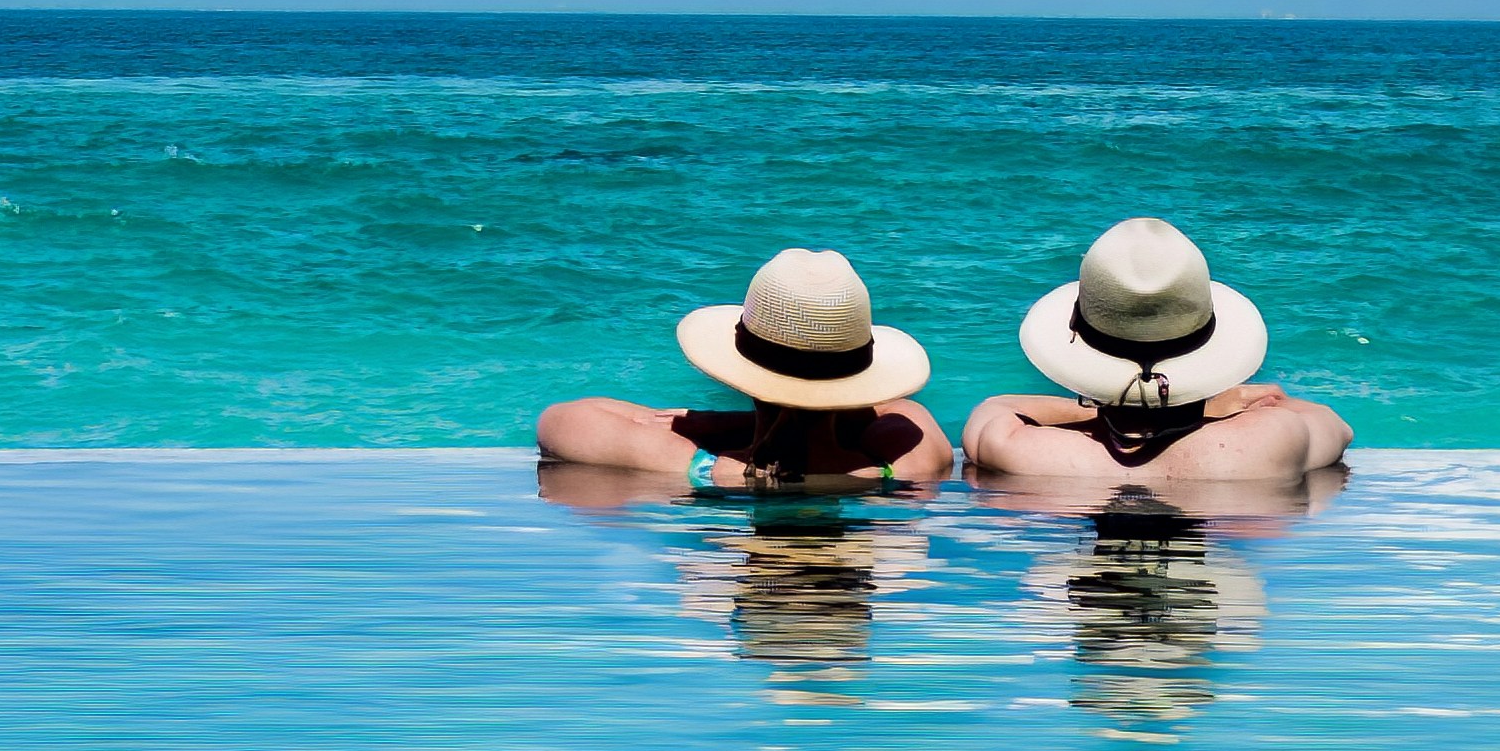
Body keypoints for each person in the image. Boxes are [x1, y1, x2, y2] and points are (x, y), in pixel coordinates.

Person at [960, 217, 1350, 487]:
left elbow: (994, 407)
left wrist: (1103, 405)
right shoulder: (1272, 439)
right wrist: (1220, 404)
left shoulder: (1018, 450)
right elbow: (1335, 426)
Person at [535, 246, 956, 490]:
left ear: (744, 371)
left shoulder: (701, 468)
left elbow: (560, 421)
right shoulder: (909, 461)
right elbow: (896, 411)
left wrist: (717, 425)